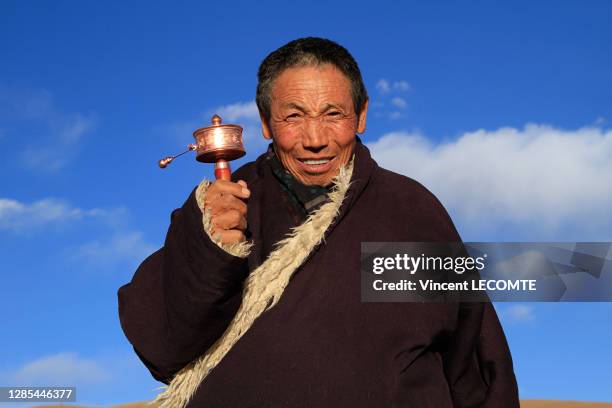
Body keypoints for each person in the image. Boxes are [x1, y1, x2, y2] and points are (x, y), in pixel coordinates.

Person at [118, 37, 519, 408]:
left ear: (361, 115)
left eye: (333, 114)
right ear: (265, 122)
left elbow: (474, 362)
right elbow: (163, 349)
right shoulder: (223, 210)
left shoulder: (410, 212)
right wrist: (211, 249)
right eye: (293, 116)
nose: (314, 138)